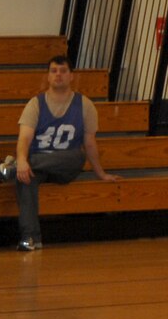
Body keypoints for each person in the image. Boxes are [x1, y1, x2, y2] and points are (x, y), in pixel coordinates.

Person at [12, 55, 116, 250]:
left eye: (63, 71)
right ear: (48, 77)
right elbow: (24, 138)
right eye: (54, 71)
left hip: (66, 164)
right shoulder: (35, 104)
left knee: (78, 155)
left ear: (71, 76)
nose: (58, 75)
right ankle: (31, 238)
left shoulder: (85, 105)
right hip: (40, 165)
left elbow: (89, 143)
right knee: (24, 178)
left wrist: (100, 173)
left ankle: (13, 168)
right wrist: (22, 160)